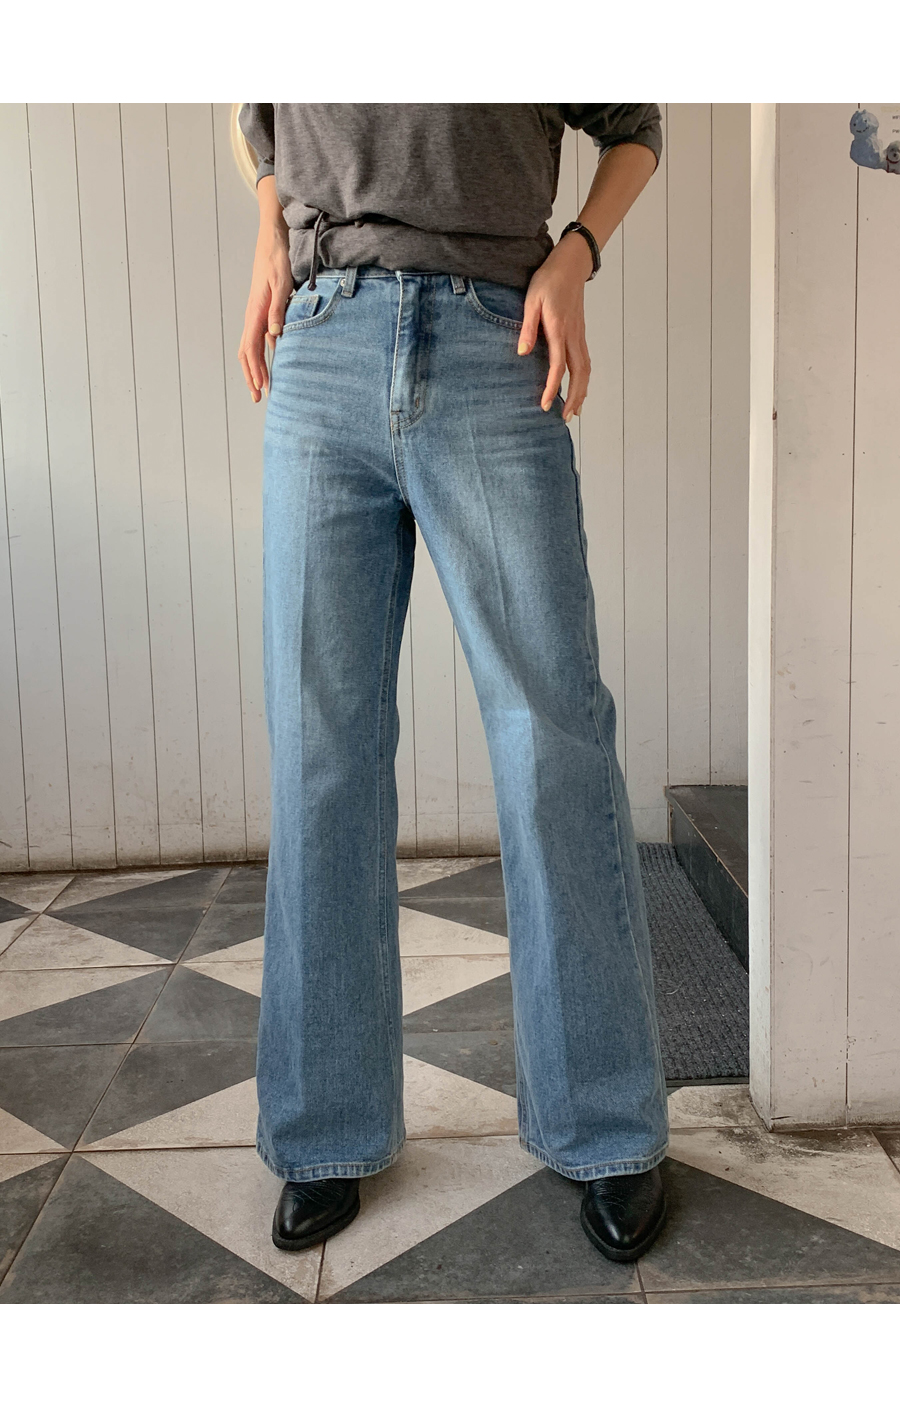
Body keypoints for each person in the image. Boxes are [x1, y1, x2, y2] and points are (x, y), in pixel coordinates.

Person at [237, 103, 670, 1265]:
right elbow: (256, 118)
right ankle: (324, 1126)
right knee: (321, 748)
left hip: (493, 336)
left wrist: (576, 254)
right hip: (323, 339)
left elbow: (636, 126)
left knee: (552, 737)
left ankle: (606, 1120)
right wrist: (271, 234)